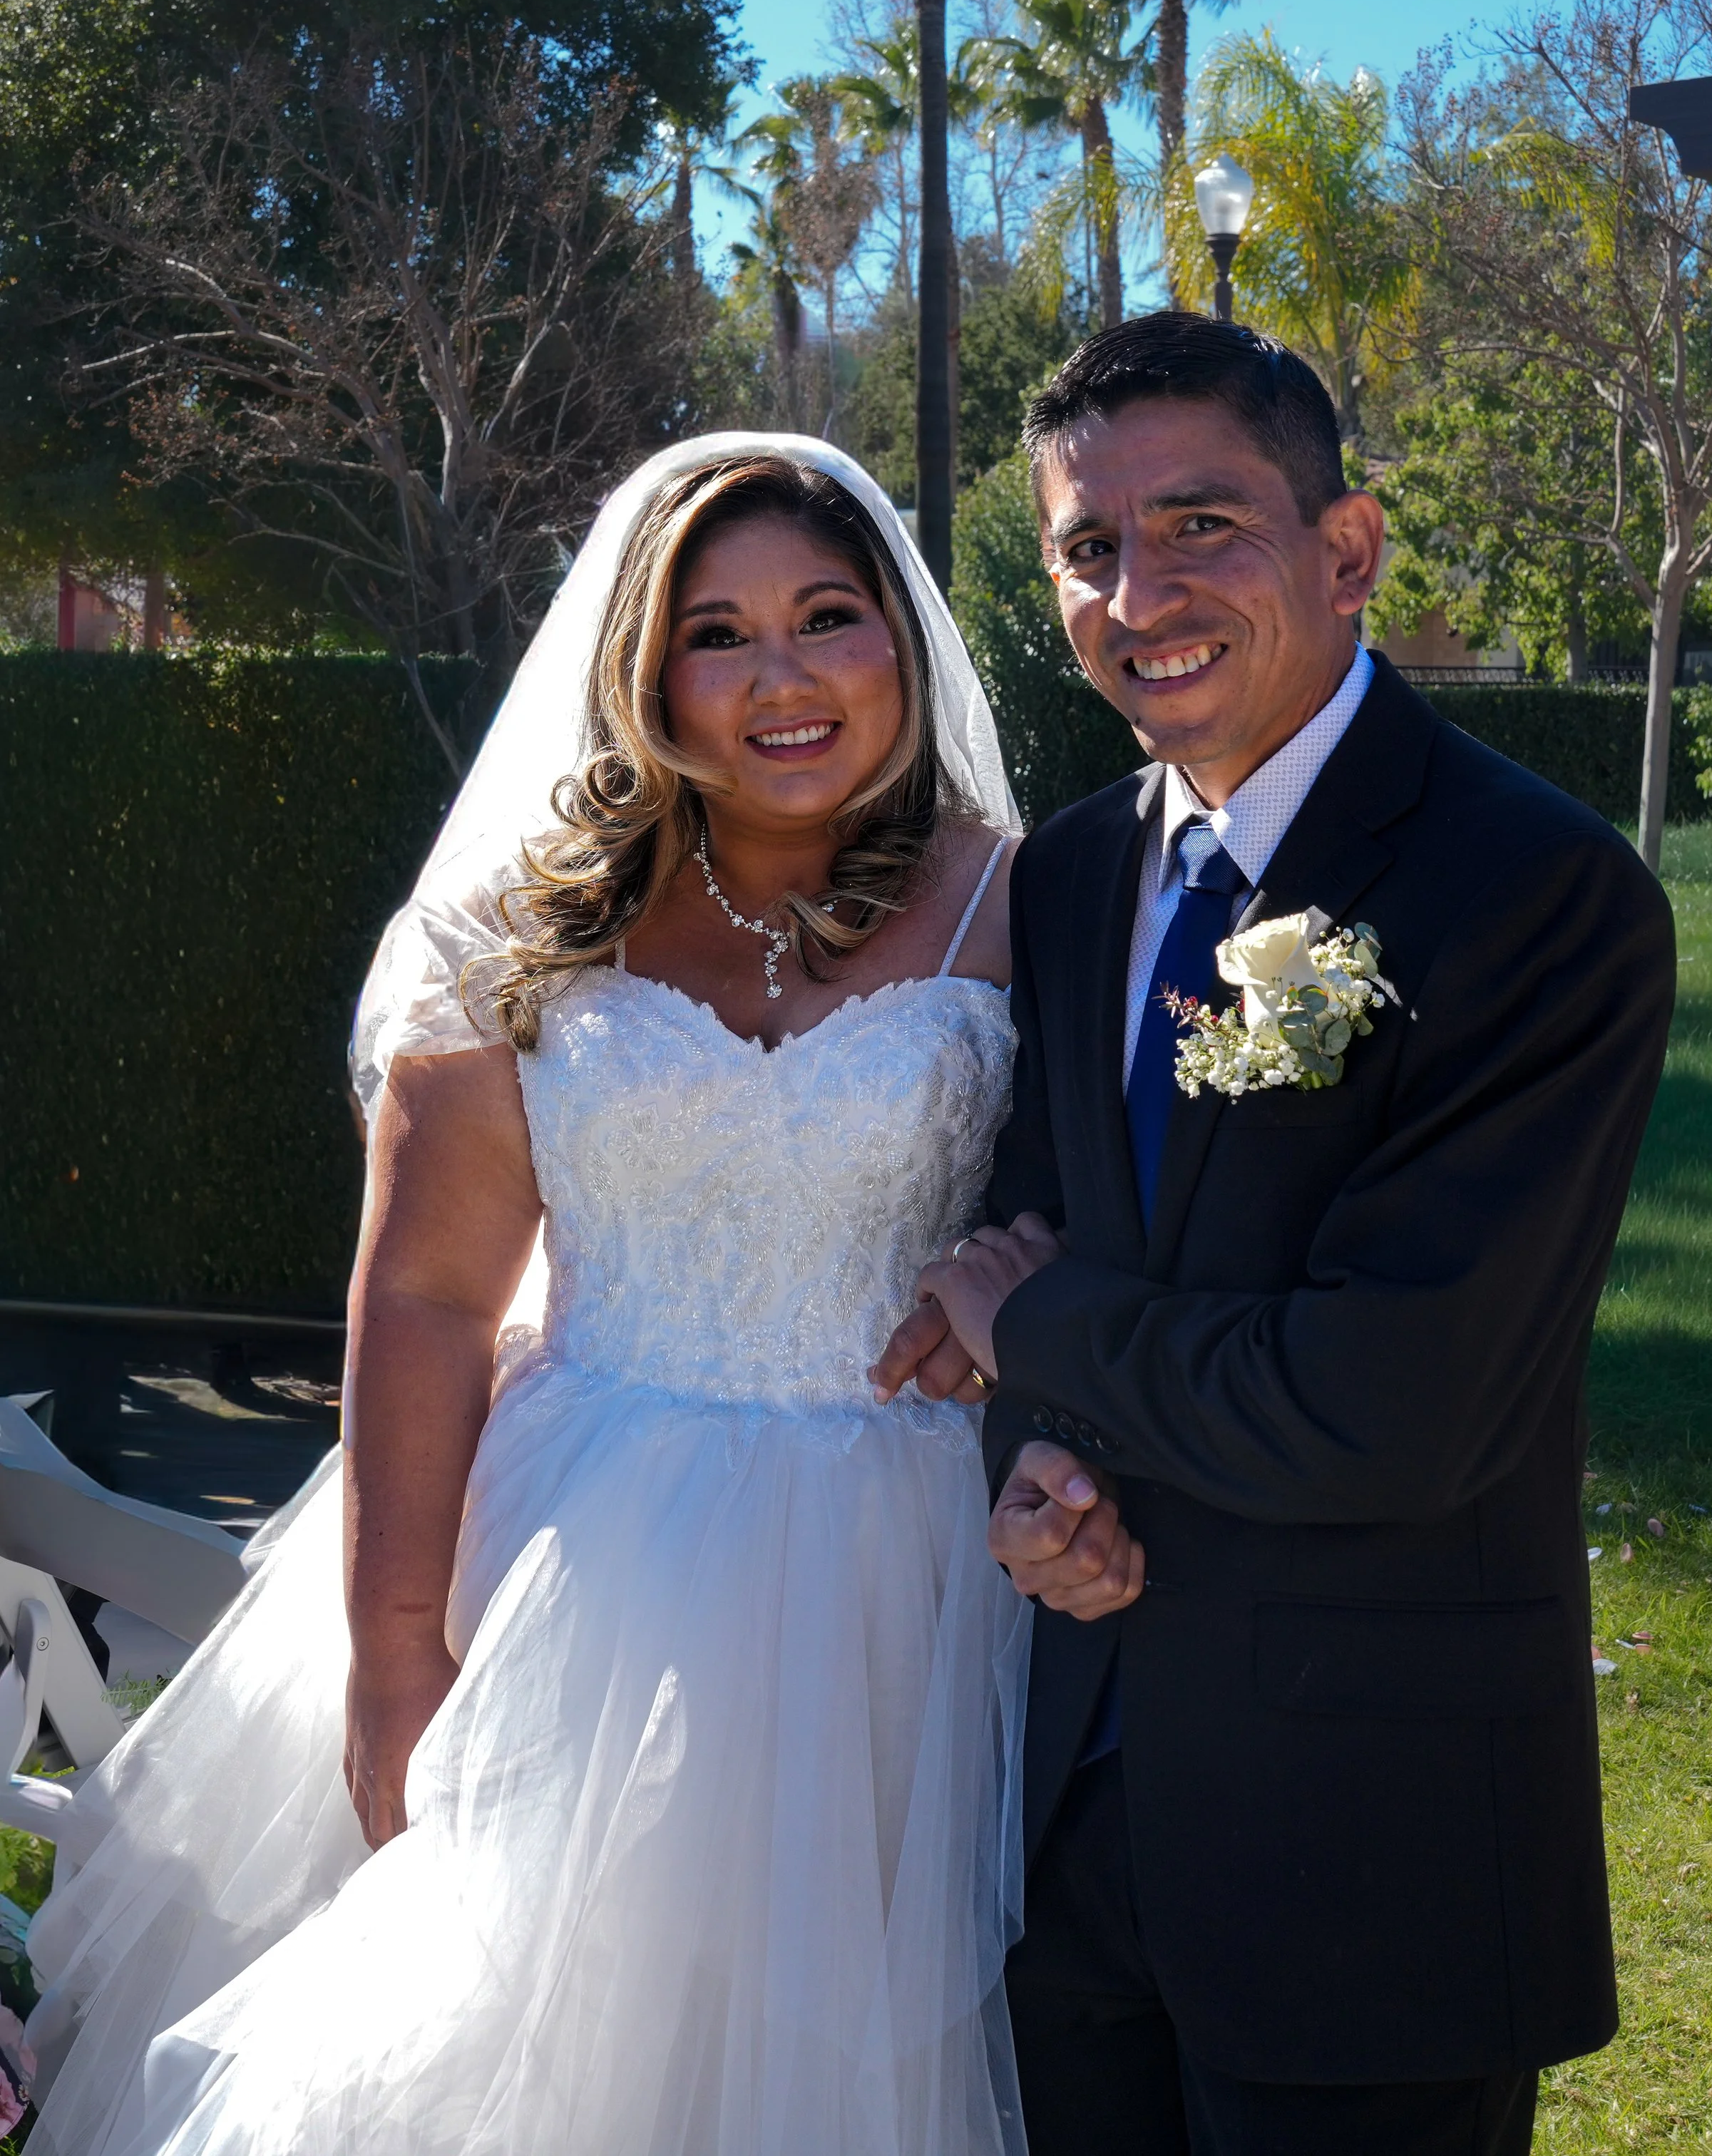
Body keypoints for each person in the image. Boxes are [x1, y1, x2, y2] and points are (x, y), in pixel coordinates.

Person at [26, 436, 1037, 2156]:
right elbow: (424, 1293)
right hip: (580, 1565)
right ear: (644, 674)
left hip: (918, 1585)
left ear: (901, 641)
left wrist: (1031, 1264)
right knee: (514, 2034)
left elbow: (1117, 1201)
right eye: (717, 636)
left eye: (827, 616)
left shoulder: (1026, 898)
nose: (780, 679)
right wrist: (397, 1647)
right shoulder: (524, 925)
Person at [876, 317, 1676, 2156]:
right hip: (1064, 1823)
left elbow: (1387, 1403)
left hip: (1366, 1858)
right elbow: (1034, 1241)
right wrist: (1036, 1475)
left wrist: (1044, 1339)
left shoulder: (1535, 897)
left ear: (1347, 548)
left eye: (1200, 524)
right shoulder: (1071, 874)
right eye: (1087, 548)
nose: (1134, 590)